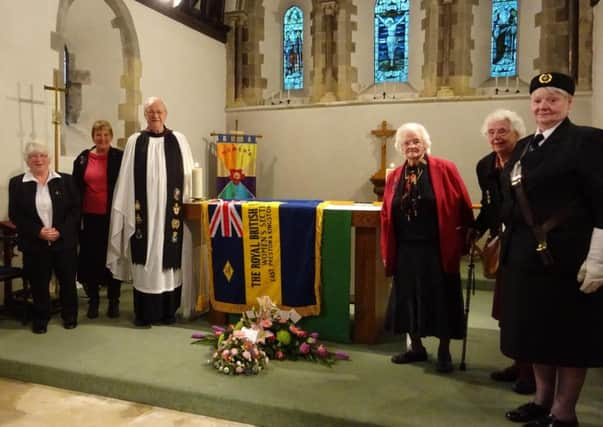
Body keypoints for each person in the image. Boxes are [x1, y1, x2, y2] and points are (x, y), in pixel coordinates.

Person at [500, 72, 603, 427]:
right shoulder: (525, 145)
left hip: (570, 256)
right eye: (538, 100)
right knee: (536, 332)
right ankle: (542, 400)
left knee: (569, 335)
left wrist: (598, 257)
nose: (544, 106)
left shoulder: (587, 141)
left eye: (553, 98)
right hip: (527, 257)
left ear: (569, 103)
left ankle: (564, 411)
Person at [380, 122, 474, 373]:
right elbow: (387, 214)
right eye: (407, 142)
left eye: (416, 141)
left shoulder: (445, 168)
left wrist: (467, 236)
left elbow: (463, 203)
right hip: (406, 249)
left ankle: (444, 351)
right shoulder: (395, 176)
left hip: (437, 247)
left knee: (442, 299)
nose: (412, 146)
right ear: (400, 147)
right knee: (408, 297)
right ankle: (416, 347)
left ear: (425, 143)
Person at [107, 97, 194, 327]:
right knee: (145, 261)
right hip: (143, 214)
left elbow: (189, 175)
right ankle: (144, 314)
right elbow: (126, 178)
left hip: (170, 212)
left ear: (166, 114)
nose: (155, 115)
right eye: (150, 112)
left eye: (159, 111)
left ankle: (168, 313)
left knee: (169, 261)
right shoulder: (136, 141)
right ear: (145, 115)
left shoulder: (179, 140)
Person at [471, 109, 535, 394]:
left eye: (503, 131)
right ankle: (519, 363)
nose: (496, 137)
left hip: (528, 243)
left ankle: (532, 371)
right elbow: (489, 206)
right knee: (507, 310)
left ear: (517, 134)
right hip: (503, 243)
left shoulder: (529, 160)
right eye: (492, 132)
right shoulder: (485, 166)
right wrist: (474, 230)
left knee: (526, 310)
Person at [8, 142, 80, 333]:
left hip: (63, 242)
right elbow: (15, 214)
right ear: (27, 160)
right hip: (35, 243)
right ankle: (41, 318)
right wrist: (38, 232)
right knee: (39, 283)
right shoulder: (17, 183)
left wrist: (60, 231)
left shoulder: (66, 180)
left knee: (67, 281)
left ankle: (69, 316)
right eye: (33, 156)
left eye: (42, 155)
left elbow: (75, 211)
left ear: (48, 158)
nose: (38, 159)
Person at [72, 120, 123, 319]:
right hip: (89, 218)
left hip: (113, 217)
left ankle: (114, 301)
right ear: (93, 136)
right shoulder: (83, 158)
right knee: (90, 260)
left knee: (112, 259)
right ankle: (93, 301)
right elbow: (76, 188)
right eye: (98, 135)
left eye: (106, 134)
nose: (102, 138)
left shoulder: (119, 157)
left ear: (111, 136)